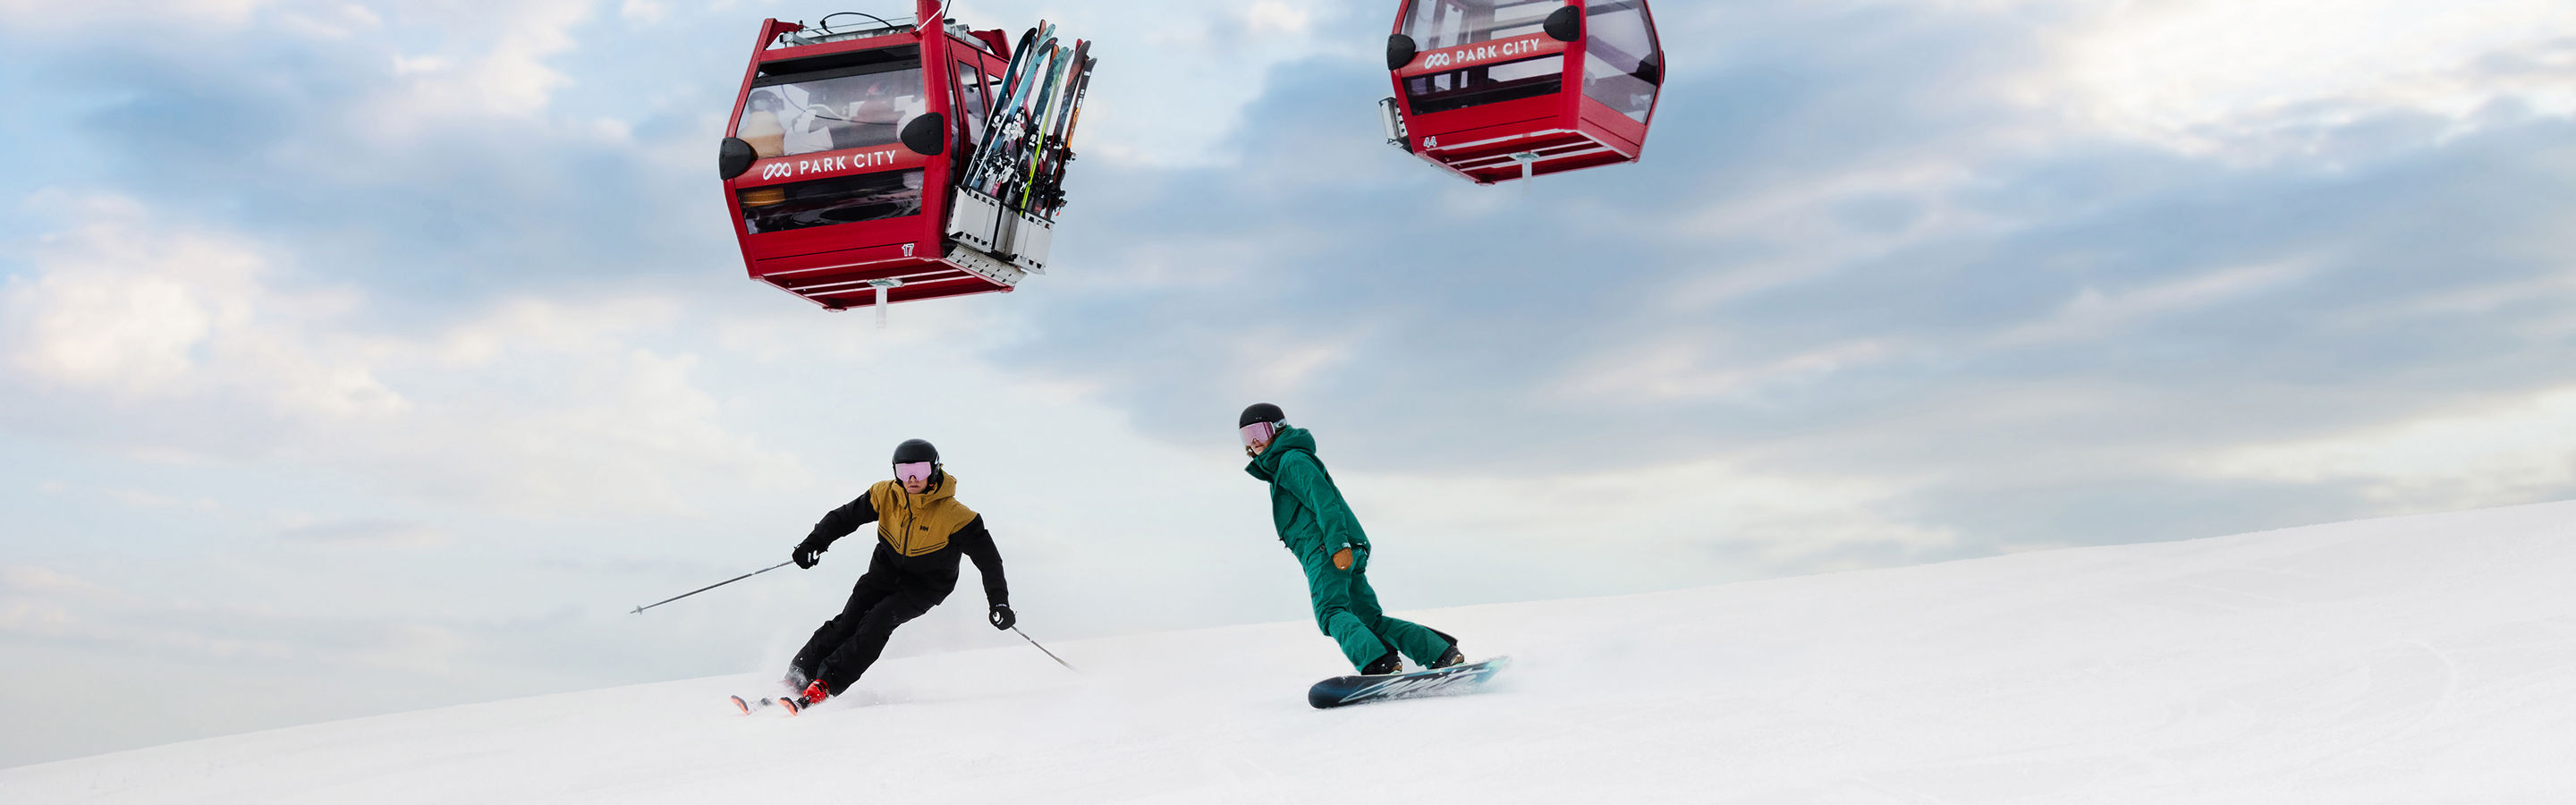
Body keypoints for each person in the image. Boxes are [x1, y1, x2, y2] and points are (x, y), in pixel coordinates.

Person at [783, 438, 1013, 708]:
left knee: (877, 621)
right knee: (848, 621)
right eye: (904, 472)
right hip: (883, 573)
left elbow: (989, 561)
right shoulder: (884, 495)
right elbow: (843, 517)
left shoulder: (957, 515)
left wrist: (999, 601)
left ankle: (827, 682)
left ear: (935, 470)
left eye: (920, 470)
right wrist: (814, 543)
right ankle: (797, 676)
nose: (912, 478)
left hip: (926, 586)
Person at [1239, 403, 1464, 675]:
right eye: (1247, 436)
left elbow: (1325, 501)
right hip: (1341, 546)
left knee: (1331, 612)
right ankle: (1440, 652)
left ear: (1278, 429)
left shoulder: (1291, 460)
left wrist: (1337, 546)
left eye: (1259, 432)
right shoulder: (1287, 463)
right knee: (1369, 619)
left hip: (1328, 549)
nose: (1254, 442)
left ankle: (1377, 663)